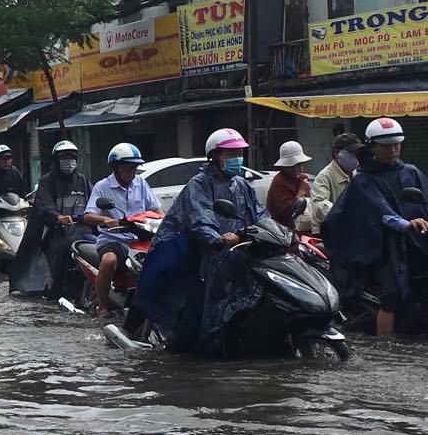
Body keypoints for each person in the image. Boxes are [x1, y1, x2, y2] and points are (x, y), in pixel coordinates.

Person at [131, 128, 268, 355]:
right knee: (196, 314)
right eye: (230, 154)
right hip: (204, 260)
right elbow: (199, 216)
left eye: (239, 153)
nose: (236, 159)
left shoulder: (242, 185)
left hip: (237, 257)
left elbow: (260, 214)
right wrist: (216, 238)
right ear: (214, 156)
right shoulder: (199, 184)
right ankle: (179, 358)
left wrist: (274, 232)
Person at [322, 118, 428, 337]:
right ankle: (384, 348)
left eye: (396, 144)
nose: (392, 150)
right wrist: (405, 224)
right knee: (392, 294)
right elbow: (379, 210)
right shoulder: (364, 180)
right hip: (383, 248)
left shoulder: (412, 172)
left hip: (417, 242)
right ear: (372, 147)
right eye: (386, 146)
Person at [83, 143, 162, 319]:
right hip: (113, 239)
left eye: (134, 168)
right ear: (116, 167)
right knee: (109, 260)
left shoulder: (140, 183)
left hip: (140, 237)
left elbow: (156, 209)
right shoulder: (102, 187)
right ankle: (102, 308)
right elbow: (88, 215)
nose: (131, 172)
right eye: (127, 167)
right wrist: (105, 219)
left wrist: (165, 222)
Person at [10, 140, 91, 299]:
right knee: (63, 248)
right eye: (64, 157)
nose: (68, 161)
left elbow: (94, 203)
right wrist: (58, 217)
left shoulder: (82, 181)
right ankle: (56, 289)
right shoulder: (47, 181)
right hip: (55, 230)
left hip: (82, 229)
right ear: (56, 160)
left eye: (71, 157)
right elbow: (44, 205)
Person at [310, 132, 361, 235]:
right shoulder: (325, 176)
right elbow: (319, 205)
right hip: (329, 233)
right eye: (351, 153)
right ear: (337, 153)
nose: (355, 157)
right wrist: (344, 215)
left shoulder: (357, 174)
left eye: (357, 153)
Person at [265, 140, 312, 228]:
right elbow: (288, 212)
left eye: (300, 165)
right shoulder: (279, 182)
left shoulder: (302, 179)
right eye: (292, 166)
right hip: (282, 228)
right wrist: (300, 193)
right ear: (284, 167)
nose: (298, 169)